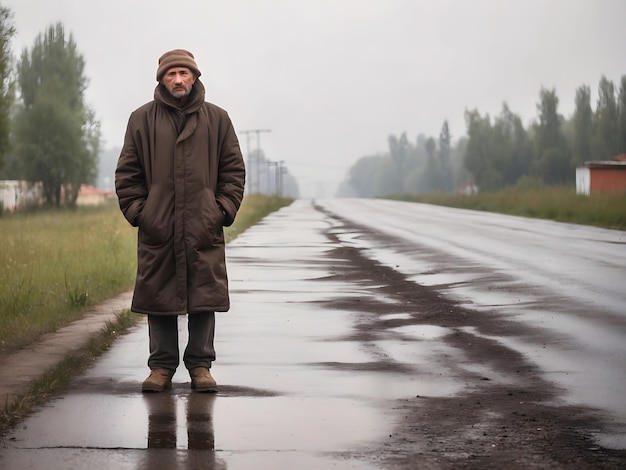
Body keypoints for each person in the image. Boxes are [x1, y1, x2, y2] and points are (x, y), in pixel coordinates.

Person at [115, 49, 245, 393]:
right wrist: (142, 214)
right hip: (159, 227)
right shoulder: (141, 120)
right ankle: (161, 368)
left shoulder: (218, 120)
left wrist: (220, 211)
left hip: (203, 227)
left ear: (194, 77)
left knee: (204, 296)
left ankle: (201, 367)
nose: (177, 80)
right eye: (171, 74)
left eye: (184, 74)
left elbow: (233, 172)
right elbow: (127, 175)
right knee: (159, 296)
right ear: (161, 79)